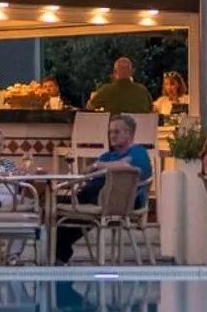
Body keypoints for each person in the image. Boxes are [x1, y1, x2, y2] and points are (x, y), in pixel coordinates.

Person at [54, 114, 153, 263]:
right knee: (56, 210)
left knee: (76, 208)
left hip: (126, 201)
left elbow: (129, 169)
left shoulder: (138, 151)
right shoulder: (108, 155)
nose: (112, 136)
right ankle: (58, 256)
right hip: (99, 198)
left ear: (128, 134)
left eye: (116, 132)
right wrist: (106, 165)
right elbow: (88, 171)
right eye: (110, 132)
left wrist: (100, 166)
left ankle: (59, 256)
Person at [86, 57, 154, 114]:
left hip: (116, 125)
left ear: (114, 72)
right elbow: (152, 109)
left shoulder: (106, 91)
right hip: (141, 126)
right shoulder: (143, 91)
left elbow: (89, 107)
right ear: (132, 72)